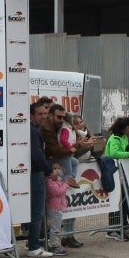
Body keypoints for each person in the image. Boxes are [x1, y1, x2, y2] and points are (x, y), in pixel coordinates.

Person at [42, 104, 81, 247]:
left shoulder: (61, 128)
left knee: (74, 162)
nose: (62, 120)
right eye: (59, 117)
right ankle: (52, 244)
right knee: (54, 223)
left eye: (64, 117)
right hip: (55, 205)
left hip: (59, 203)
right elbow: (58, 149)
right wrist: (74, 147)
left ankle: (56, 241)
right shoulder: (50, 130)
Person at [26, 100, 54, 258]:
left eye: (45, 113)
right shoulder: (33, 131)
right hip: (35, 174)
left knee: (35, 211)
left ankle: (32, 243)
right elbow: (36, 156)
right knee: (37, 211)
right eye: (40, 114)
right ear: (32, 115)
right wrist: (49, 169)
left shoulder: (35, 129)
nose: (44, 116)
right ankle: (34, 246)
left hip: (32, 173)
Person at [45, 162, 70, 256]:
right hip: (54, 207)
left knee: (57, 227)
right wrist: (66, 184)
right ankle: (54, 245)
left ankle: (55, 244)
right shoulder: (49, 181)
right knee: (55, 228)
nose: (57, 171)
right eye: (54, 169)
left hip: (58, 206)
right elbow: (58, 192)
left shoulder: (58, 180)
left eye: (58, 168)